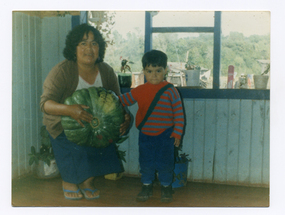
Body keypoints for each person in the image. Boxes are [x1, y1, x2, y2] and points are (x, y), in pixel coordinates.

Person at [40, 23, 131, 200]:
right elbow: (45, 104)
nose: (89, 48)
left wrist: (126, 117)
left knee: (103, 144)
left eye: (94, 43)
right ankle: (69, 181)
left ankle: (87, 182)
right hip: (63, 125)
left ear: (100, 48)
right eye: (83, 43)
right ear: (73, 48)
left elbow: (117, 102)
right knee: (76, 148)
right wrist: (69, 110)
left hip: (95, 126)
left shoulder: (106, 71)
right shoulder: (62, 71)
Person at [119, 50, 185, 203]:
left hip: (166, 135)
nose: (154, 75)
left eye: (158, 71)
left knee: (165, 163)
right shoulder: (139, 90)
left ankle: (166, 188)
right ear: (143, 72)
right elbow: (121, 100)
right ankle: (146, 186)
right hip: (146, 135)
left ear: (165, 71)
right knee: (146, 162)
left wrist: (177, 133)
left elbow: (179, 114)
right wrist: (106, 97)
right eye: (149, 71)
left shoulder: (171, 91)